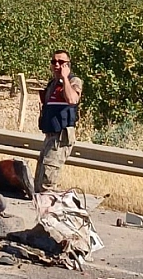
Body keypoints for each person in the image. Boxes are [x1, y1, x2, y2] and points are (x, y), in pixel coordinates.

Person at [34, 49, 83, 194]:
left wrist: (65, 78)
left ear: (68, 65)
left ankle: (51, 212)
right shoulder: (52, 84)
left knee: (47, 184)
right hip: (50, 135)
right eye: (54, 61)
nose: (57, 65)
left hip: (61, 136)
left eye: (61, 62)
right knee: (39, 182)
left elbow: (72, 99)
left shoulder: (73, 81)